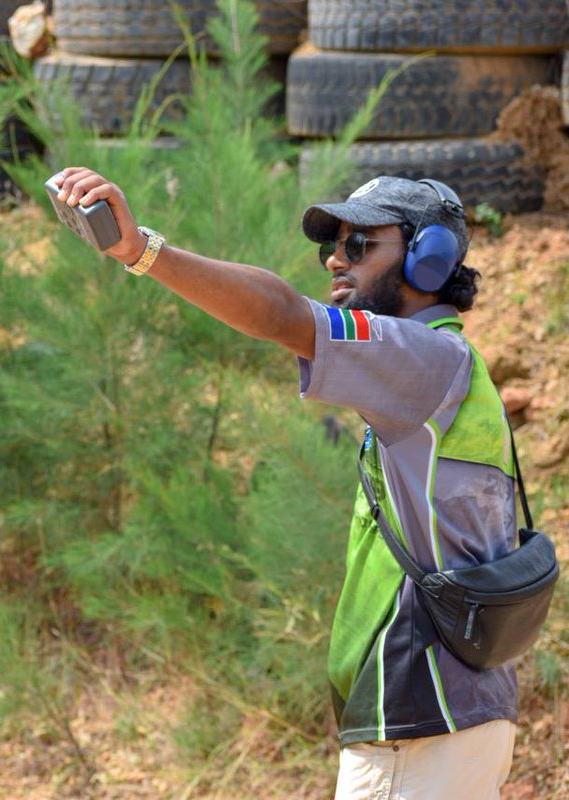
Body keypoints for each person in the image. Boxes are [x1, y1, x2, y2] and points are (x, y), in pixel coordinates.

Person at [50, 169, 518, 799]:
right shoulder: (452, 366)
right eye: (336, 244)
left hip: (420, 720)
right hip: (459, 719)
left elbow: (281, 314)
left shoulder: (425, 359)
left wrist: (140, 250)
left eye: (358, 245)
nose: (334, 259)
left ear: (427, 258)